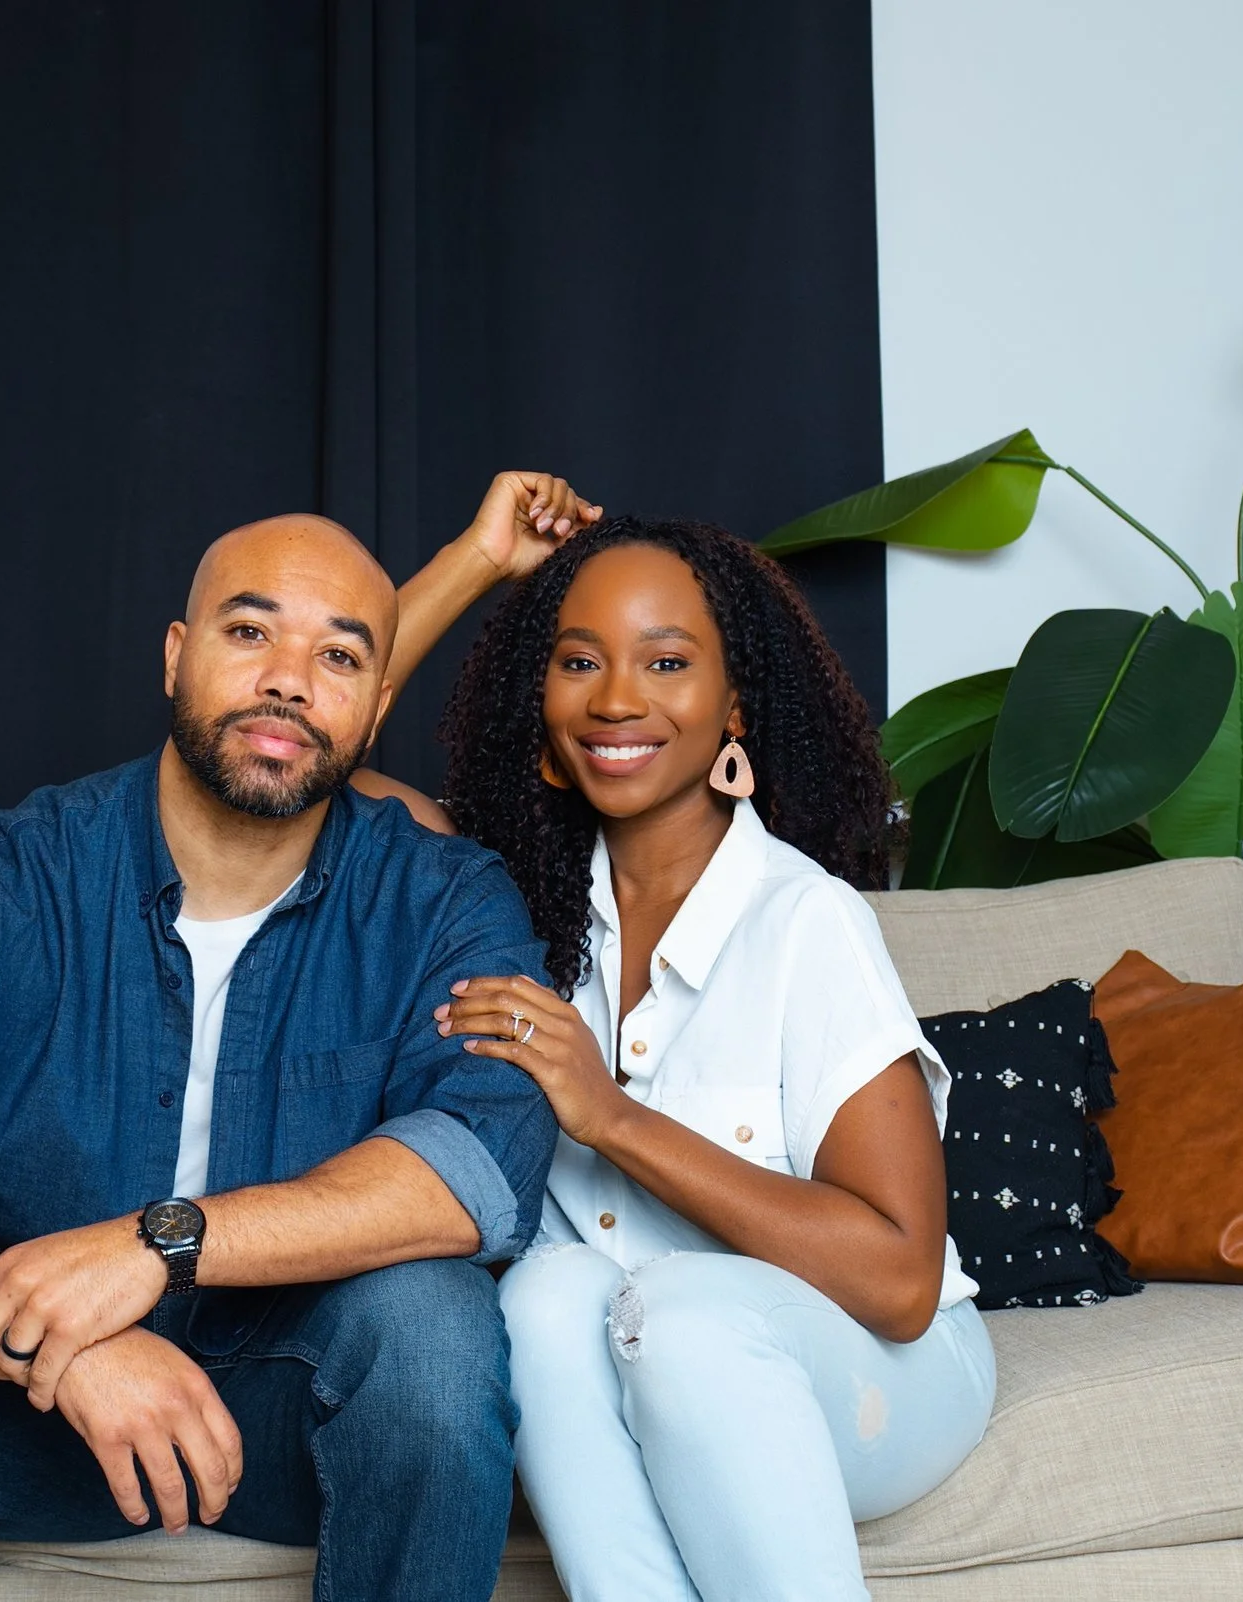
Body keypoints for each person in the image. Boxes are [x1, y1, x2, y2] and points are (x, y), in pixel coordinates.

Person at [0, 476, 600, 1602]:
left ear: (377, 699)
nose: (287, 681)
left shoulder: (443, 899)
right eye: (249, 631)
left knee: (435, 1331)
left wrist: (151, 1246)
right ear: (174, 654)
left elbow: (473, 1171)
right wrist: (65, 1341)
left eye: (338, 659)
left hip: (288, 1410)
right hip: (16, 1407)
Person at [391, 513, 997, 1602]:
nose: (617, 699)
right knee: (537, 1298)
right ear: (539, 701)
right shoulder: (501, 913)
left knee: (682, 1317)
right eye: (578, 662)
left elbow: (900, 1284)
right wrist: (476, 560)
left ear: (733, 707)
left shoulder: (805, 922)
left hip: (873, 1373)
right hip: (637, 1367)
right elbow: (297, 732)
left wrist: (611, 1116)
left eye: (666, 662)